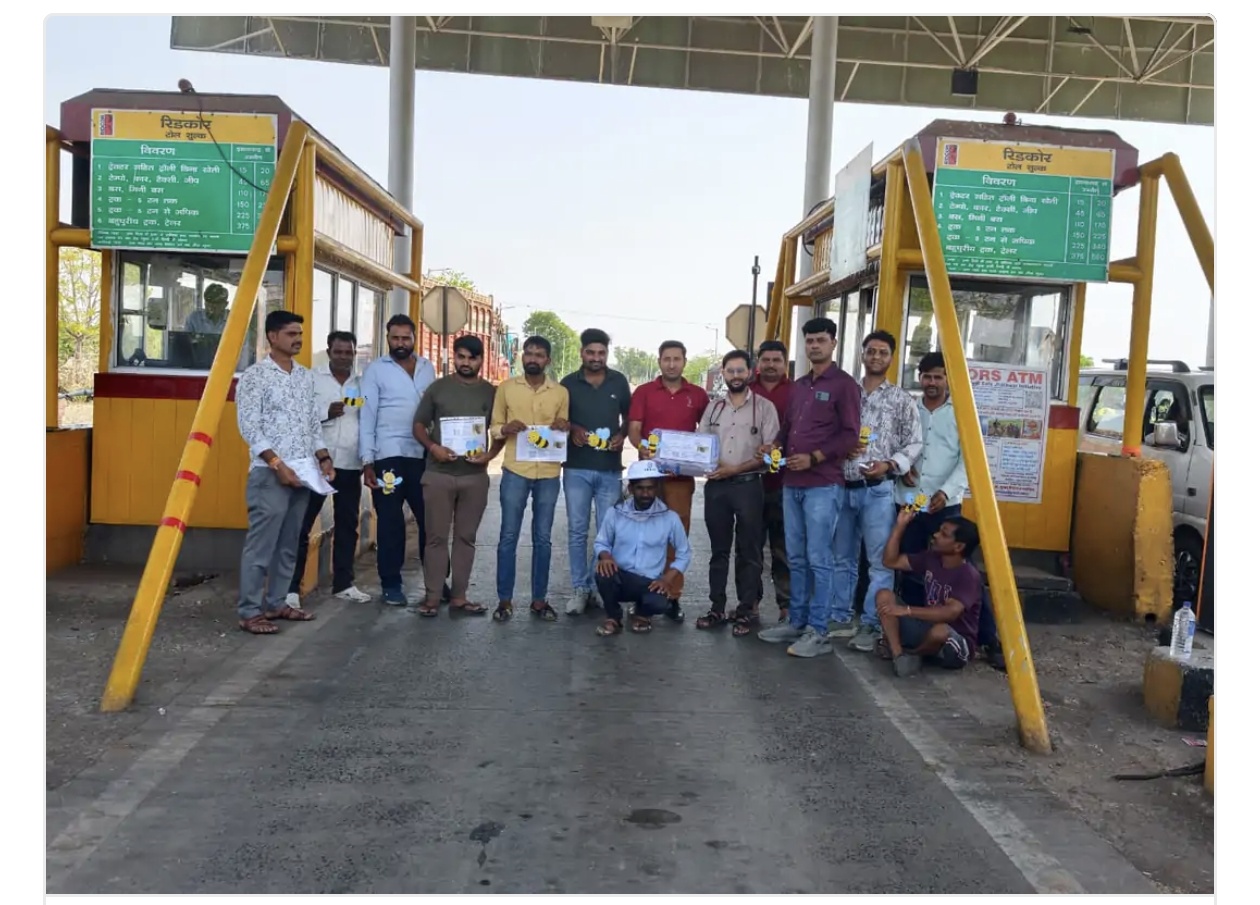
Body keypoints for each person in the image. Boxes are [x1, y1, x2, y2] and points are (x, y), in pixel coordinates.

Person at [757, 317, 861, 658]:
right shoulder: (800, 385)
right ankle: (797, 621)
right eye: (810, 341)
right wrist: (775, 446)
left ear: (833, 344)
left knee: (819, 559)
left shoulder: (845, 385)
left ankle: (819, 631)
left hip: (823, 485)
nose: (814, 346)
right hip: (792, 483)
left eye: (820, 340)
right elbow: (788, 428)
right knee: (796, 557)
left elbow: (850, 435)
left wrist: (815, 457)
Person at [897, 351, 1004, 670]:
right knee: (912, 569)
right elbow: (896, 447)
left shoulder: (963, 414)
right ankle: (919, 635)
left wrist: (945, 491)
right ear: (919, 378)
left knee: (965, 575)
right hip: (908, 501)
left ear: (948, 379)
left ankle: (989, 639)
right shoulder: (909, 409)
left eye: (938, 377)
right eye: (927, 376)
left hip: (946, 505)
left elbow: (969, 459)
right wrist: (902, 466)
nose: (932, 382)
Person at [233, 310, 332, 635]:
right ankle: (250, 612)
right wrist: (277, 464)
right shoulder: (255, 376)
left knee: (289, 543)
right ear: (272, 337)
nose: (297, 339)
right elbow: (249, 426)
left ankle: (276, 603)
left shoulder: (305, 377)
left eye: (299, 333)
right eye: (291, 333)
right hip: (270, 474)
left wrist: (323, 457)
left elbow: (312, 423)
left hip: (303, 472)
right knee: (261, 546)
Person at [829, 330, 923, 653]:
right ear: (863, 355)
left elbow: (915, 442)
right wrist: (841, 448)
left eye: (883, 352)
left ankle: (871, 623)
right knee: (841, 558)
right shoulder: (846, 393)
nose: (876, 357)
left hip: (879, 490)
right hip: (843, 487)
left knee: (880, 562)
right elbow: (827, 433)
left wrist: (890, 464)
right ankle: (840, 616)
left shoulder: (901, 399)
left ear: (892, 358)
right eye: (871, 351)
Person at [413, 334, 504, 617]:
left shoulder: (491, 393)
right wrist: (433, 448)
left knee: (466, 538)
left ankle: (459, 597)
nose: (466, 363)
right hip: (439, 474)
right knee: (436, 538)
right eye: (461, 357)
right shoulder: (438, 389)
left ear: (481, 360)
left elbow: (499, 430)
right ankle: (432, 598)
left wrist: (490, 455)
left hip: (474, 477)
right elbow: (418, 425)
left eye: (472, 358)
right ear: (454, 357)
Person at [695, 350, 780, 637]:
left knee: (749, 550)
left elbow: (770, 452)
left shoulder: (764, 408)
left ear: (750, 372)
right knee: (718, 550)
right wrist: (719, 467)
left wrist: (734, 469)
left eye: (740, 370)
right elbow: (702, 445)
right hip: (717, 486)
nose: (735, 376)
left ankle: (746, 610)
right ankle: (716, 608)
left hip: (748, 485)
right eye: (730, 371)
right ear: (723, 373)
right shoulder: (714, 408)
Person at [286, 330, 373, 608]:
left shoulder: (363, 383)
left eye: (349, 352)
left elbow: (367, 422)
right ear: (328, 352)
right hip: (316, 463)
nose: (344, 357)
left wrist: (367, 459)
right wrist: (326, 412)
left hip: (349, 462)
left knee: (347, 525)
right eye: (338, 352)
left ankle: (344, 584)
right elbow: (300, 417)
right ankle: (291, 589)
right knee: (302, 524)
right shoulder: (312, 379)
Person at [359, 313, 441, 608]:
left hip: (422, 455)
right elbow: (367, 416)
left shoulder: (427, 367)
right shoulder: (376, 370)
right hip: (388, 456)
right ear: (387, 338)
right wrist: (368, 461)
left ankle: (436, 582)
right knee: (391, 523)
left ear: (414, 338)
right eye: (395, 338)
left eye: (406, 338)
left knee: (431, 521)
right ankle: (391, 584)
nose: (401, 343)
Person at [626, 340, 710, 622]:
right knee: (642, 536)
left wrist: (703, 458)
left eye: (677, 359)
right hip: (648, 476)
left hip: (680, 479)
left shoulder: (697, 395)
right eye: (666, 359)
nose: (671, 364)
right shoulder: (644, 392)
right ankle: (641, 595)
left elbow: (707, 433)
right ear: (659, 361)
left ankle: (673, 596)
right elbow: (634, 430)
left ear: (684, 361)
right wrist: (642, 447)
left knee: (676, 536)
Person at [490, 335, 571, 622]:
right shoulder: (506, 389)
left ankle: (539, 600)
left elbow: (564, 429)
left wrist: (564, 426)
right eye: (529, 353)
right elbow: (494, 426)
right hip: (516, 470)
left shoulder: (560, 392)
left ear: (548, 360)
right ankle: (504, 601)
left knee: (543, 539)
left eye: (539, 355)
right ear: (522, 357)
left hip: (548, 472)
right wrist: (505, 429)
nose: (533, 359)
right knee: (508, 536)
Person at [561, 328, 632, 616]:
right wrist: (573, 428)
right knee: (577, 531)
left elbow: (630, 417)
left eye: (601, 353)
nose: (596, 358)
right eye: (590, 352)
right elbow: (558, 420)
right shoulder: (568, 383)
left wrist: (622, 435)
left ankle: (600, 585)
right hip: (576, 468)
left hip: (609, 469)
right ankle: (580, 588)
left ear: (606, 354)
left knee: (607, 530)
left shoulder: (619, 381)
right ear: (582, 353)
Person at [876, 507, 983, 678]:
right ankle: (899, 655)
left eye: (944, 534)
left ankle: (914, 655)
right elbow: (890, 561)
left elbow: (950, 613)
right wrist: (900, 526)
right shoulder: (932, 557)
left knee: (940, 631)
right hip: (928, 628)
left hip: (955, 642)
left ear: (958, 546)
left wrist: (907, 610)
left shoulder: (968, 575)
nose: (936, 535)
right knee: (884, 596)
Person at [592, 460, 692, 636]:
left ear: (657, 489)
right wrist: (605, 556)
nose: (646, 493)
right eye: (640, 488)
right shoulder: (615, 513)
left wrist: (667, 579)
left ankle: (642, 614)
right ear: (631, 489)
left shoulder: (670, 518)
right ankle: (613, 617)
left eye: (650, 488)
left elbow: (684, 553)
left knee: (660, 603)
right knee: (603, 573)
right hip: (620, 576)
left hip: (649, 582)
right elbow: (601, 542)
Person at [749, 339, 794, 623]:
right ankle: (750, 602)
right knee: (750, 547)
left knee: (783, 549)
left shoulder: (796, 392)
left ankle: (786, 606)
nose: (770, 365)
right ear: (758, 362)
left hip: (785, 483)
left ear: (785, 363)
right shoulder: (745, 390)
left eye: (777, 360)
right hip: (749, 483)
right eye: (766, 360)